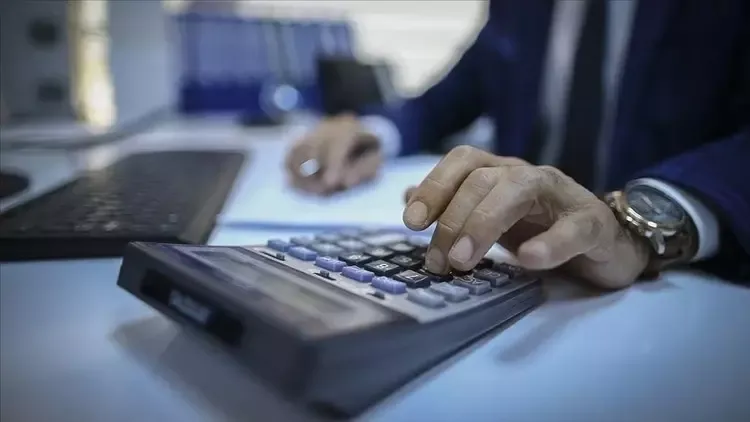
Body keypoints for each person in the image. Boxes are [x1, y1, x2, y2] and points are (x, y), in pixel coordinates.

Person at [285, 0, 749, 288]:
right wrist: (375, 132)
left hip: (673, 289)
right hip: (518, 264)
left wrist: (646, 222)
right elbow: (447, 98)